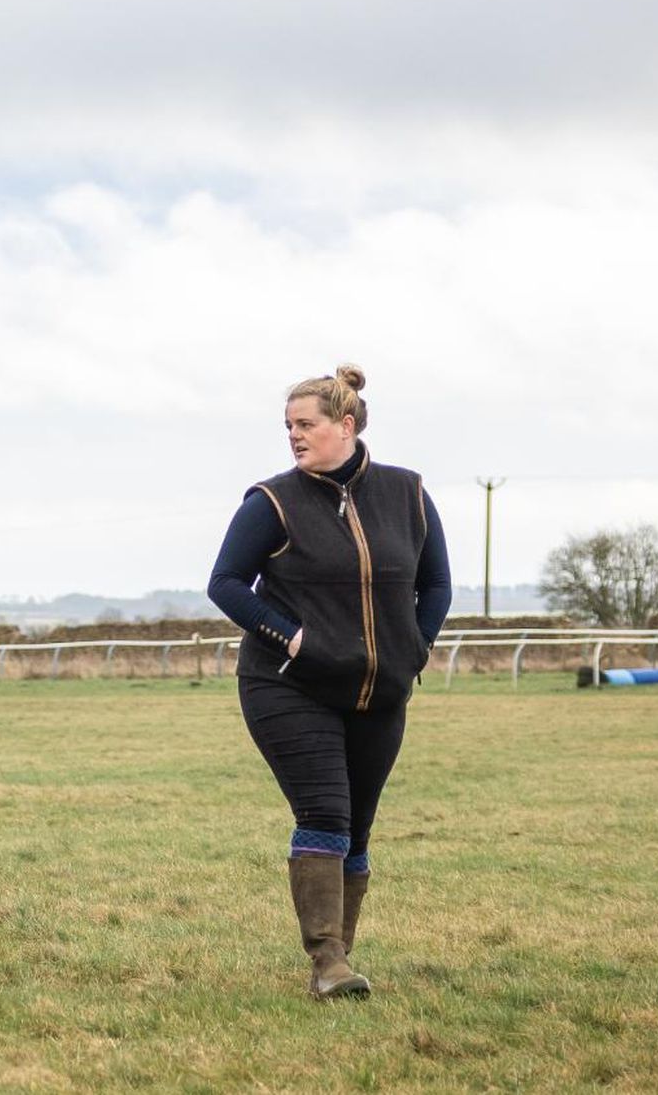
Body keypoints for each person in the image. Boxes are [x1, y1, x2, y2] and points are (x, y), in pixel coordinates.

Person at [205, 363, 448, 998]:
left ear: (346, 425)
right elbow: (225, 583)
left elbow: (436, 583)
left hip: (380, 692)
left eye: (305, 424)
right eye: (288, 426)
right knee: (325, 813)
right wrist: (291, 636)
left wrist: (414, 648)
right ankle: (327, 963)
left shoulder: (409, 494)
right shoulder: (272, 501)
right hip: (288, 686)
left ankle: (341, 957)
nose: (294, 435)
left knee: (358, 829)